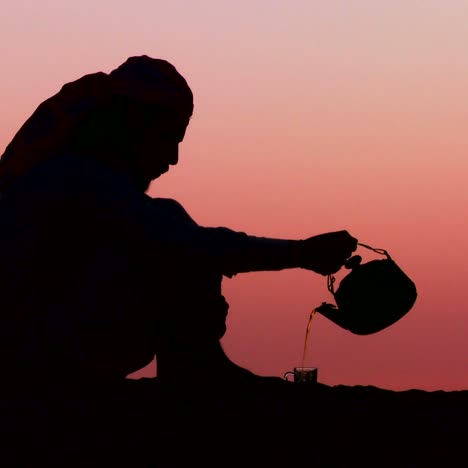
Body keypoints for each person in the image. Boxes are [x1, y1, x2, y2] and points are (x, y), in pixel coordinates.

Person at [0, 55, 357, 410]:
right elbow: (189, 246)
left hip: (45, 345)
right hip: (34, 358)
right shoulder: (77, 179)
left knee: (168, 219)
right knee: (175, 236)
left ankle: (196, 365)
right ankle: (196, 369)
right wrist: (300, 254)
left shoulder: (73, 176)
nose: (172, 159)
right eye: (169, 138)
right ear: (135, 123)